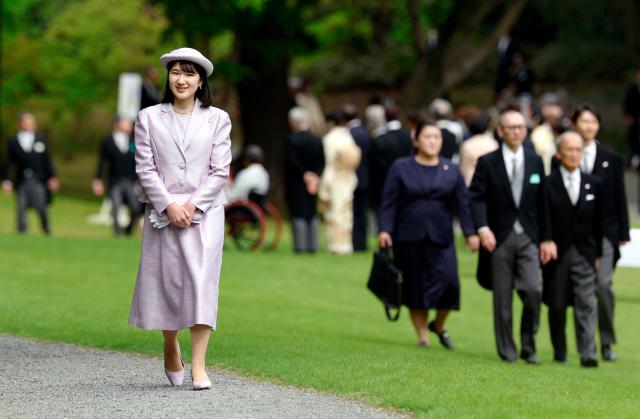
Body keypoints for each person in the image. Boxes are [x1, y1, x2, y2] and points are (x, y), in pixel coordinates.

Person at [128, 47, 232, 391]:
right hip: (162, 214)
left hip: (205, 214)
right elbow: (145, 167)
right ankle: (170, 346)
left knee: (203, 284)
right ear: (167, 77)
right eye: (176, 72)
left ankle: (200, 364)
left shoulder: (218, 119)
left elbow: (220, 171)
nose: (182, 80)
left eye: (189, 74)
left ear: (201, 81)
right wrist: (169, 205)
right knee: (169, 283)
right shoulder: (148, 118)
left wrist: (192, 205)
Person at [378, 120, 479, 348]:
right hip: (408, 235)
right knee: (414, 287)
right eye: (428, 137)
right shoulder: (401, 167)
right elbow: (389, 201)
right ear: (416, 139)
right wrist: (385, 228)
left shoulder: (451, 170)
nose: (433, 141)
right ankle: (423, 335)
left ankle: (439, 325)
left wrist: (470, 232)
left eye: (437, 137)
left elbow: (463, 204)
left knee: (450, 284)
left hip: (441, 236)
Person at [469, 110, 546, 365]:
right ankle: (507, 350)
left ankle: (529, 344)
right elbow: (476, 197)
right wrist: (482, 228)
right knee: (502, 297)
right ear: (500, 131)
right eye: (510, 127)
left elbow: (541, 203)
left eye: (520, 127)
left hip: (529, 235)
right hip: (498, 235)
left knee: (534, 290)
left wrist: (546, 237)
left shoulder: (535, 161)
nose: (516, 132)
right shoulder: (487, 161)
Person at [570, 104, 630, 361]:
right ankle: (583, 345)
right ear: (575, 124)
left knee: (603, 286)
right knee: (577, 290)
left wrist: (623, 231)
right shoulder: (564, 154)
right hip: (574, 233)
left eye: (593, 122)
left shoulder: (610, 157)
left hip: (605, 233)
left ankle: (606, 341)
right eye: (584, 122)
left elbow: (619, 196)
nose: (589, 127)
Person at [541, 131, 603, 367]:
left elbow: (598, 222)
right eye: (569, 149)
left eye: (578, 149)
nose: (574, 154)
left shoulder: (594, 184)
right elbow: (544, 216)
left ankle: (588, 353)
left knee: (586, 303)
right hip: (557, 253)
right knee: (557, 304)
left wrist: (597, 253)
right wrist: (546, 240)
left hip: (585, 253)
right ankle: (560, 351)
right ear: (559, 153)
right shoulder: (548, 183)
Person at [2, 112, 60, 234]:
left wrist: (52, 177)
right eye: (27, 122)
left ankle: (46, 229)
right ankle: (22, 232)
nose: (30, 124)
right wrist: (6, 180)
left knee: (41, 206)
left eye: (31, 122)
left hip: (38, 180)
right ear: (20, 124)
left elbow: (47, 161)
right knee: (21, 207)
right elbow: (9, 163)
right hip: (21, 180)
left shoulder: (40, 140)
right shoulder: (13, 142)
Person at [318, 111, 361, 255]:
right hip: (348, 178)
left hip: (336, 178)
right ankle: (345, 244)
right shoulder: (348, 137)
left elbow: (329, 161)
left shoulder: (330, 138)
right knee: (346, 212)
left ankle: (337, 245)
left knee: (336, 212)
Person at [92, 115, 142, 236]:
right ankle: (117, 233)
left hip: (130, 181)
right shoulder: (108, 141)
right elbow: (102, 162)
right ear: (117, 124)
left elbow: (139, 161)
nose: (130, 126)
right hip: (115, 181)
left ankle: (129, 229)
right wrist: (97, 180)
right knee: (116, 206)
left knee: (136, 207)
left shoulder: (133, 141)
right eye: (127, 124)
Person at [284, 107, 325, 253]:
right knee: (312, 212)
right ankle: (313, 245)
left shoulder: (291, 140)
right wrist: (315, 176)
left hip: (297, 183)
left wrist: (304, 175)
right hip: (313, 183)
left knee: (298, 213)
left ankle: (300, 245)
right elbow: (322, 161)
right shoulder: (317, 139)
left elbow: (291, 161)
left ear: (293, 122)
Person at [369, 104, 413, 214]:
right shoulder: (409, 135)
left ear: (385, 117)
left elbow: (376, 164)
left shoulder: (379, 137)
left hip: (385, 182)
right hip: (407, 180)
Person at [344, 104, 371, 252]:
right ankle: (363, 243)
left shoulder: (348, 135)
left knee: (353, 212)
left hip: (351, 178)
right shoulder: (366, 132)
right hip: (365, 178)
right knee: (362, 212)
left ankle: (355, 242)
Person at [458, 112, 499, 187]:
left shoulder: (466, 145)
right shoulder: (493, 144)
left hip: (468, 183)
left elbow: (462, 169)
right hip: (488, 185)